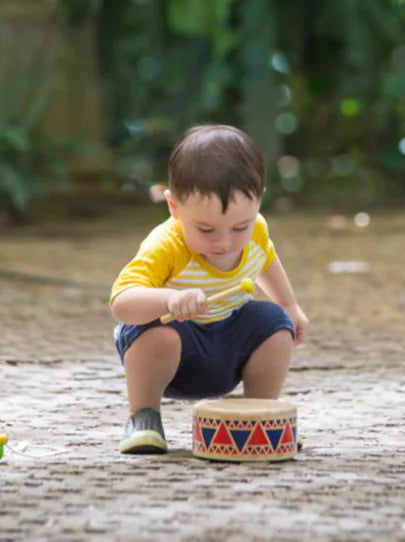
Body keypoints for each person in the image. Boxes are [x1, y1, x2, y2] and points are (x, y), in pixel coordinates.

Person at [109, 124, 309, 454]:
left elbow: (266, 259)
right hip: (172, 356)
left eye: (239, 227)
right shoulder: (166, 245)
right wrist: (171, 299)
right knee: (158, 335)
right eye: (206, 229)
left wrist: (289, 305)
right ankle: (143, 416)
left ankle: (261, 416)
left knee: (274, 324)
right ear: (174, 208)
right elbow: (121, 302)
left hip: (226, 345)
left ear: (259, 202)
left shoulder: (256, 231)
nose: (225, 242)